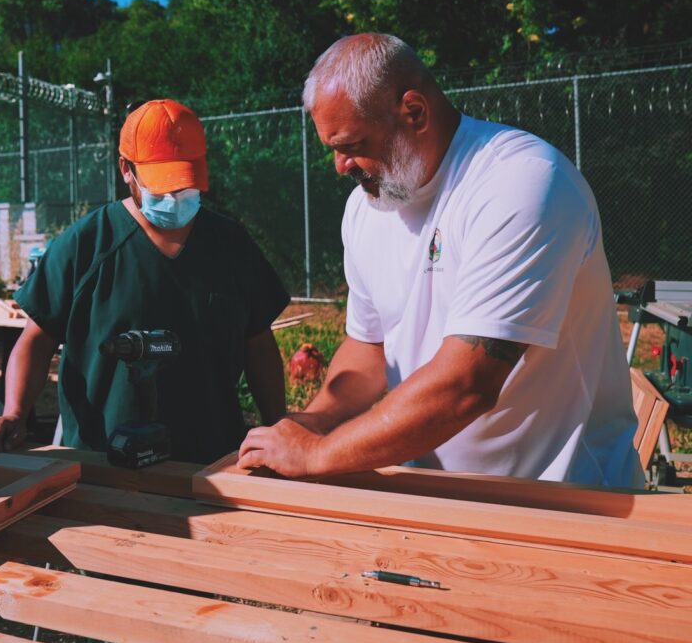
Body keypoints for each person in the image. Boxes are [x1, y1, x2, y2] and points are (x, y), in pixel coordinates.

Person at [239, 33, 642, 488]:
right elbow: (369, 347)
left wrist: (317, 454)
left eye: (351, 144)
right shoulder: (367, 207)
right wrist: (316, 422)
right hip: (440, 497)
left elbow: (467, 384)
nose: (340, 165)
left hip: (566, 500)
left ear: (414, 112)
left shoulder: (520, 182)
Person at [0, 99, 289, 465]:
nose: (174, 197)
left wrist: (277, 423)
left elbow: (259, 343)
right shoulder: (86, 245)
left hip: (213, 460)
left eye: (184, 184)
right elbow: (36, 339)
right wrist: (13, 413)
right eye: (162, 185)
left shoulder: (230, 245)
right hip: (101, 461)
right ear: (126, 170)